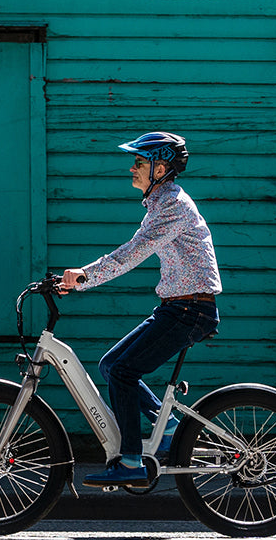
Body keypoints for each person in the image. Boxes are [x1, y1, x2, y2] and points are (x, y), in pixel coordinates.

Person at [58, 131, 222, 486]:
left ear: (160, 168)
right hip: (178, 306)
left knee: (122, 373)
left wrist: (85, 275)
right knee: (111, 365)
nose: (131, 168)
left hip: (190, 310)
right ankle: (170, 429)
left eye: (139, 163)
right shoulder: (161, 203)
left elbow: (134, 252)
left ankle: (131, 460)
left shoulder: (173, 207)